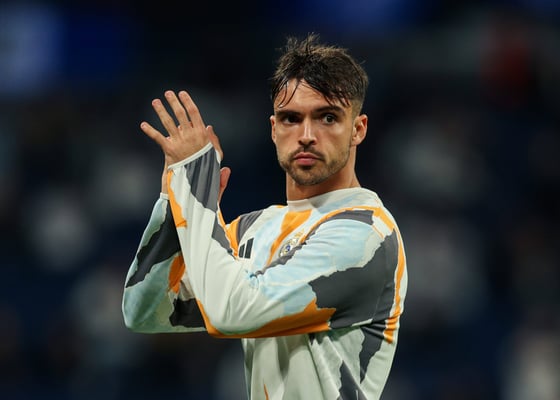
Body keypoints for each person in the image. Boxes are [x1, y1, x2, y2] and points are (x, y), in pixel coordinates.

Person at [122, 33, 408, 400]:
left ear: (358, 129)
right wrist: (176, 197)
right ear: (274, 130)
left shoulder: (366, 234)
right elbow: (144, 311)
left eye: (327, 117)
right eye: (291, 119)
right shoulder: (254, 229)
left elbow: (231, 312)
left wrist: (196, 191)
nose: (307, 135)